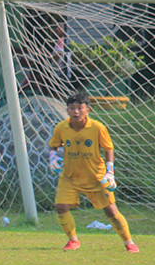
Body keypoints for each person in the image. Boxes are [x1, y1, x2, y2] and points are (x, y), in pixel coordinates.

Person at [47, 92, 139, 253]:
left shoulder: (97, 127)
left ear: (87, 110)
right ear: (67, 110)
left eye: (80, 108)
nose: (76, 111)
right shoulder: (61, 128)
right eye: (72, 108)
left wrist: (109, 172)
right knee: (60, 206)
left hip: (96, 177)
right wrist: (52, 157)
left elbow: (108, 148)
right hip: (70, 177)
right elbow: (53, 145)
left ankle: (129, 242)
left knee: (111, 211)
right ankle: (73, 240)